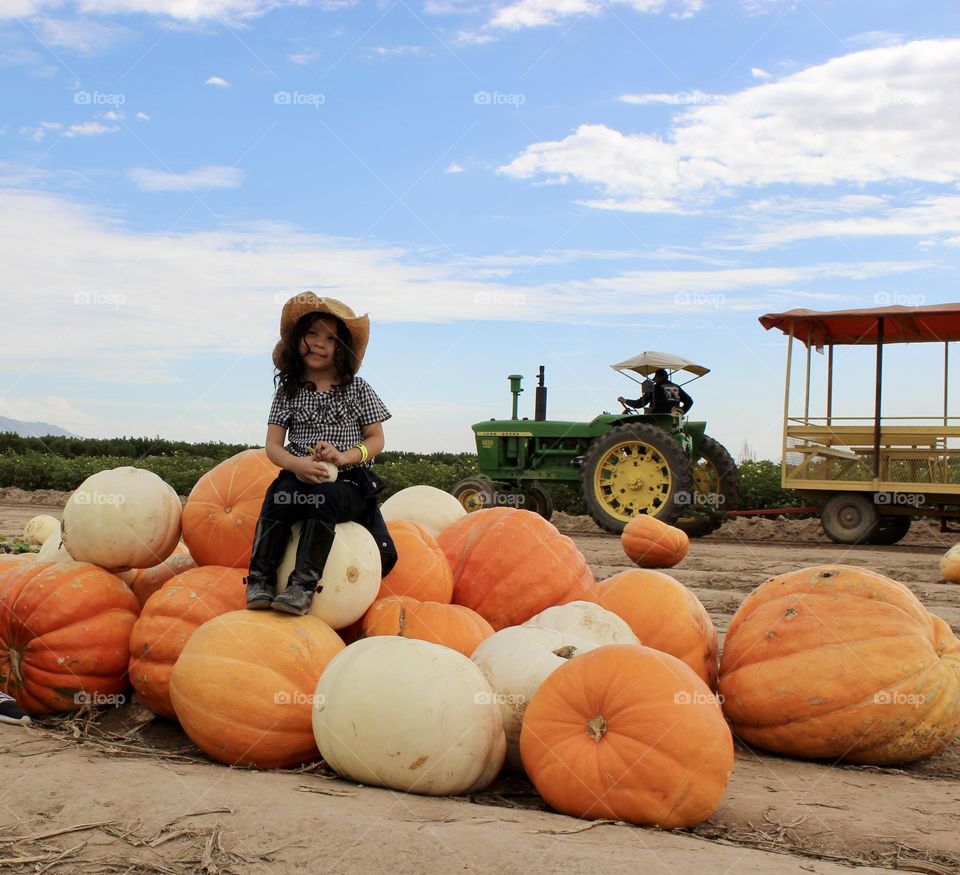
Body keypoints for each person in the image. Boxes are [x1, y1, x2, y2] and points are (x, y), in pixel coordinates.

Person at [244, 293, 397, 615]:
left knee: (323, 499)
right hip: (300, 472)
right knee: (280, 497)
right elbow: (273, 445)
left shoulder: (358, 389)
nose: (319, 343)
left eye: (330, 338)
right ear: (298, 340)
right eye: (312, 333)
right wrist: (295, 464)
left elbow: (377, 439)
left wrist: (345, 455)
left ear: (341, 349)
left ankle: (302, 586)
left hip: (349, 480)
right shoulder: (289, 391)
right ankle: (261, 579)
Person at [618, 368, 693, 415]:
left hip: (656, 420)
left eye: (655, 378)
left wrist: (625, 400)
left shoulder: (655, 388)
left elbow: (640, 403)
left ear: (659, 378)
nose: (654, 381)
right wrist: (680, 414)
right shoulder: (675, 387)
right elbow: (689, 401)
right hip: (673, 420)